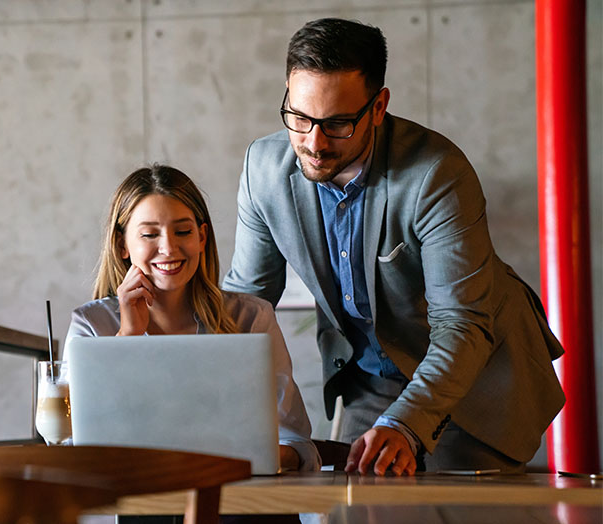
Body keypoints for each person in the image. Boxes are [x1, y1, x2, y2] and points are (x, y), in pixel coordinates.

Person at [222, 17, 565, 476]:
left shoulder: (435, 174)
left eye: (338, 123)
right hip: (368, 378)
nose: (314, 142)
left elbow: (462, 322)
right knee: (353, 506)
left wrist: (405, 425)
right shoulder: (262, 169)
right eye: (300, 118)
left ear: (379, 106)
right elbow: (245, 303)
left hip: (471, 383)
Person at [66, 164, 321, 472]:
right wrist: (127, 340)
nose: (169, 248)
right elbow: (74, 448)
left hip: (236, 502)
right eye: (149, 234)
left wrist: (246, 459)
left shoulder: (251, 318)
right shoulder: (90, 327)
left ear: (202, 237)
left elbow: (297, 445)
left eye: (183, 231)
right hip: (139, 505)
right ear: (122, 245)